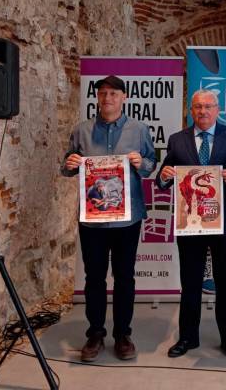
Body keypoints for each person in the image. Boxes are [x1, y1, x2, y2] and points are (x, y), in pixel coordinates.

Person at [61, 75, 157, 362]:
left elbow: (152, 165)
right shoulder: (82, 131)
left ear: (124, 97)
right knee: (94, 278)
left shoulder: (139, 130)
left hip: (127, 219)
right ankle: (95, 333)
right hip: (93, 219)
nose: (107, 99)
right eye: (102, 93)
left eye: (113, 94)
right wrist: (69, 164)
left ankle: (123, 334)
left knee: (125, 277)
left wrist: (142, 163)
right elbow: (67, 167)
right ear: (97, 97)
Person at [156, 89, 226, 360]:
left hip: (224, 223)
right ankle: (188, 337)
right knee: (191, 281)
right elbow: (164, 179)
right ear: (190, 110)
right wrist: (164, 176)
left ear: (218, 109)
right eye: (198, 107)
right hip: (190, 224)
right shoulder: (177, 140)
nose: (203, 111)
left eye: (208, 106)